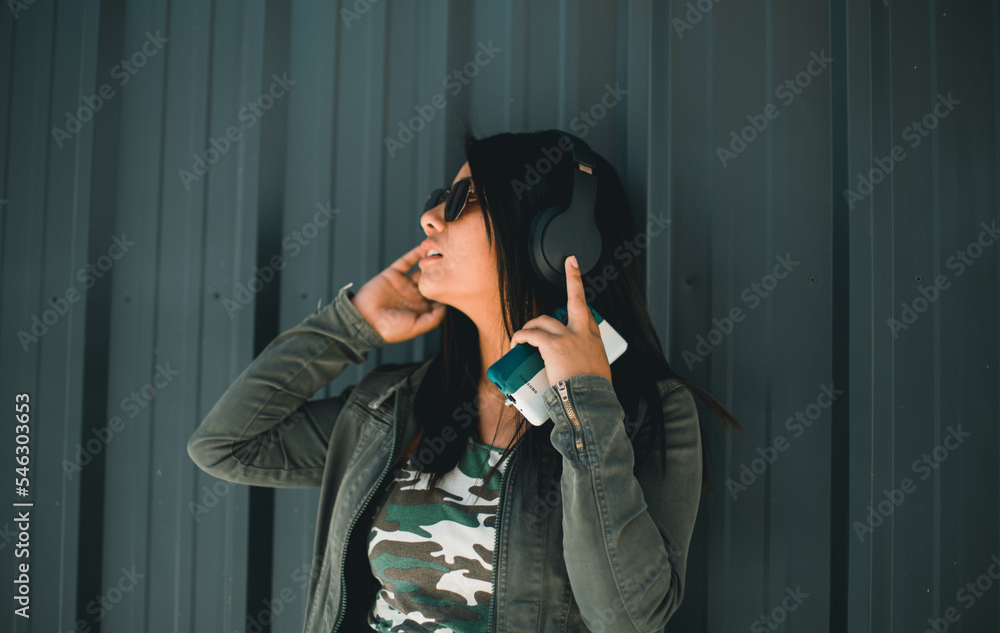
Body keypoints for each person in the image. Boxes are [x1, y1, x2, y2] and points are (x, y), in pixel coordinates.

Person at [187, 129, 742, 632]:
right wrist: (351, 324)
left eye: (461, 202)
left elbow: (626, 619)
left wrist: (586, 408)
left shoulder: (650, 414)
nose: (430, 220)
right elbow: (227, 447)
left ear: (557, 236)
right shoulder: (392, 408)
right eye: (435, 202)